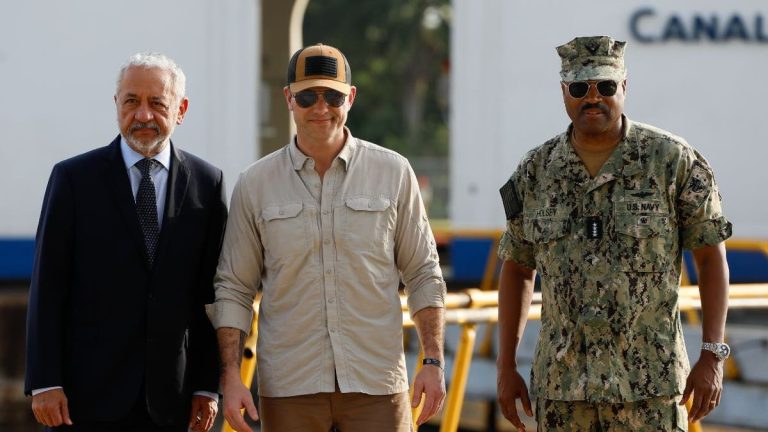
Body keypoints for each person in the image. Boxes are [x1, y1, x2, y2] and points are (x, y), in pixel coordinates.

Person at [495, 36, 732, 431]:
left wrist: (712, 355)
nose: (593, 98)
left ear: (624, 86)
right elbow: (518, 268)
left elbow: (710, 258)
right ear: (563, 92)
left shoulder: (671, 161)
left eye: (605, 86)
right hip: (563, 392)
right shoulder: (536, 171)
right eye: (579, 88)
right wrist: (505, 366)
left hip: (649, 390)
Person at [206, 43, 446, 432]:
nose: (321, 107)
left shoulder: (394, 173)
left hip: (377, 384)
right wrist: (231, 378)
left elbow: (423, 273)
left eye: (333, 96)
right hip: (290, 387)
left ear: (350, 97)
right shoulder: (255, 184)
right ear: (289, 98)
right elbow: (234, 288)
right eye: (307, 96)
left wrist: (433, 362)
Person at [25, 52, 226, 432]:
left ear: (181, 110)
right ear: (117, 104)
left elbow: (210, 294)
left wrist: (206, 385)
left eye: (157, 103)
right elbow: (48, 286)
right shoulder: (73, 179)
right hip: (84, 399)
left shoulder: (207, 183)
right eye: (131, 101)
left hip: (172, 401)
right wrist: (45, 381)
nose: (143, 115)